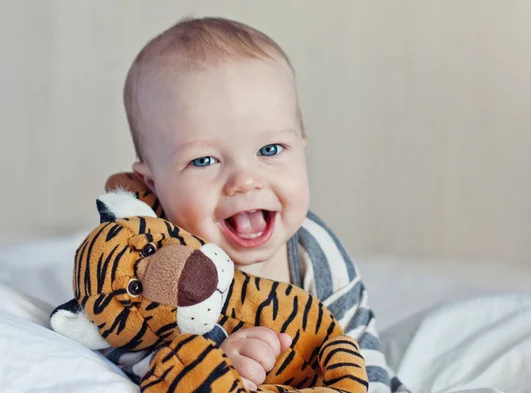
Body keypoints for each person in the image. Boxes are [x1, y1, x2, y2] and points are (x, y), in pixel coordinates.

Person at [106, 16, 408, 393]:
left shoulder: (313, 254)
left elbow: (361, 349)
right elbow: (121, 345)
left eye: (270, 150)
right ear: (153, 183)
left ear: (301, 149)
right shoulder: (155, 262)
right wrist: (213, 361)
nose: (245, 181)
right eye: (204, 161)